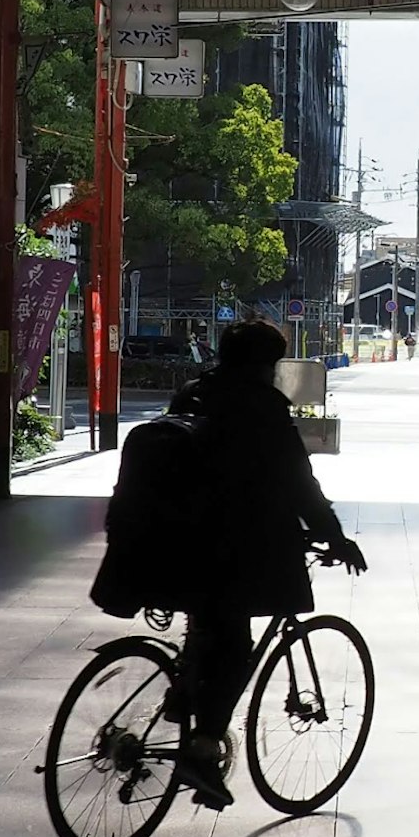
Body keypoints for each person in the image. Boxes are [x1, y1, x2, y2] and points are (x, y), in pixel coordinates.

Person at [167, 320, 362, 807]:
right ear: (266, 364)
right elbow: (298, 482)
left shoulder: (193, 393)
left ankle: (184, 693)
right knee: (234, 649)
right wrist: (333, 537)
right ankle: (204, 747)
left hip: (167, 540)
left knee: (206, 630)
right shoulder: (262, 406)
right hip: (228, 548)